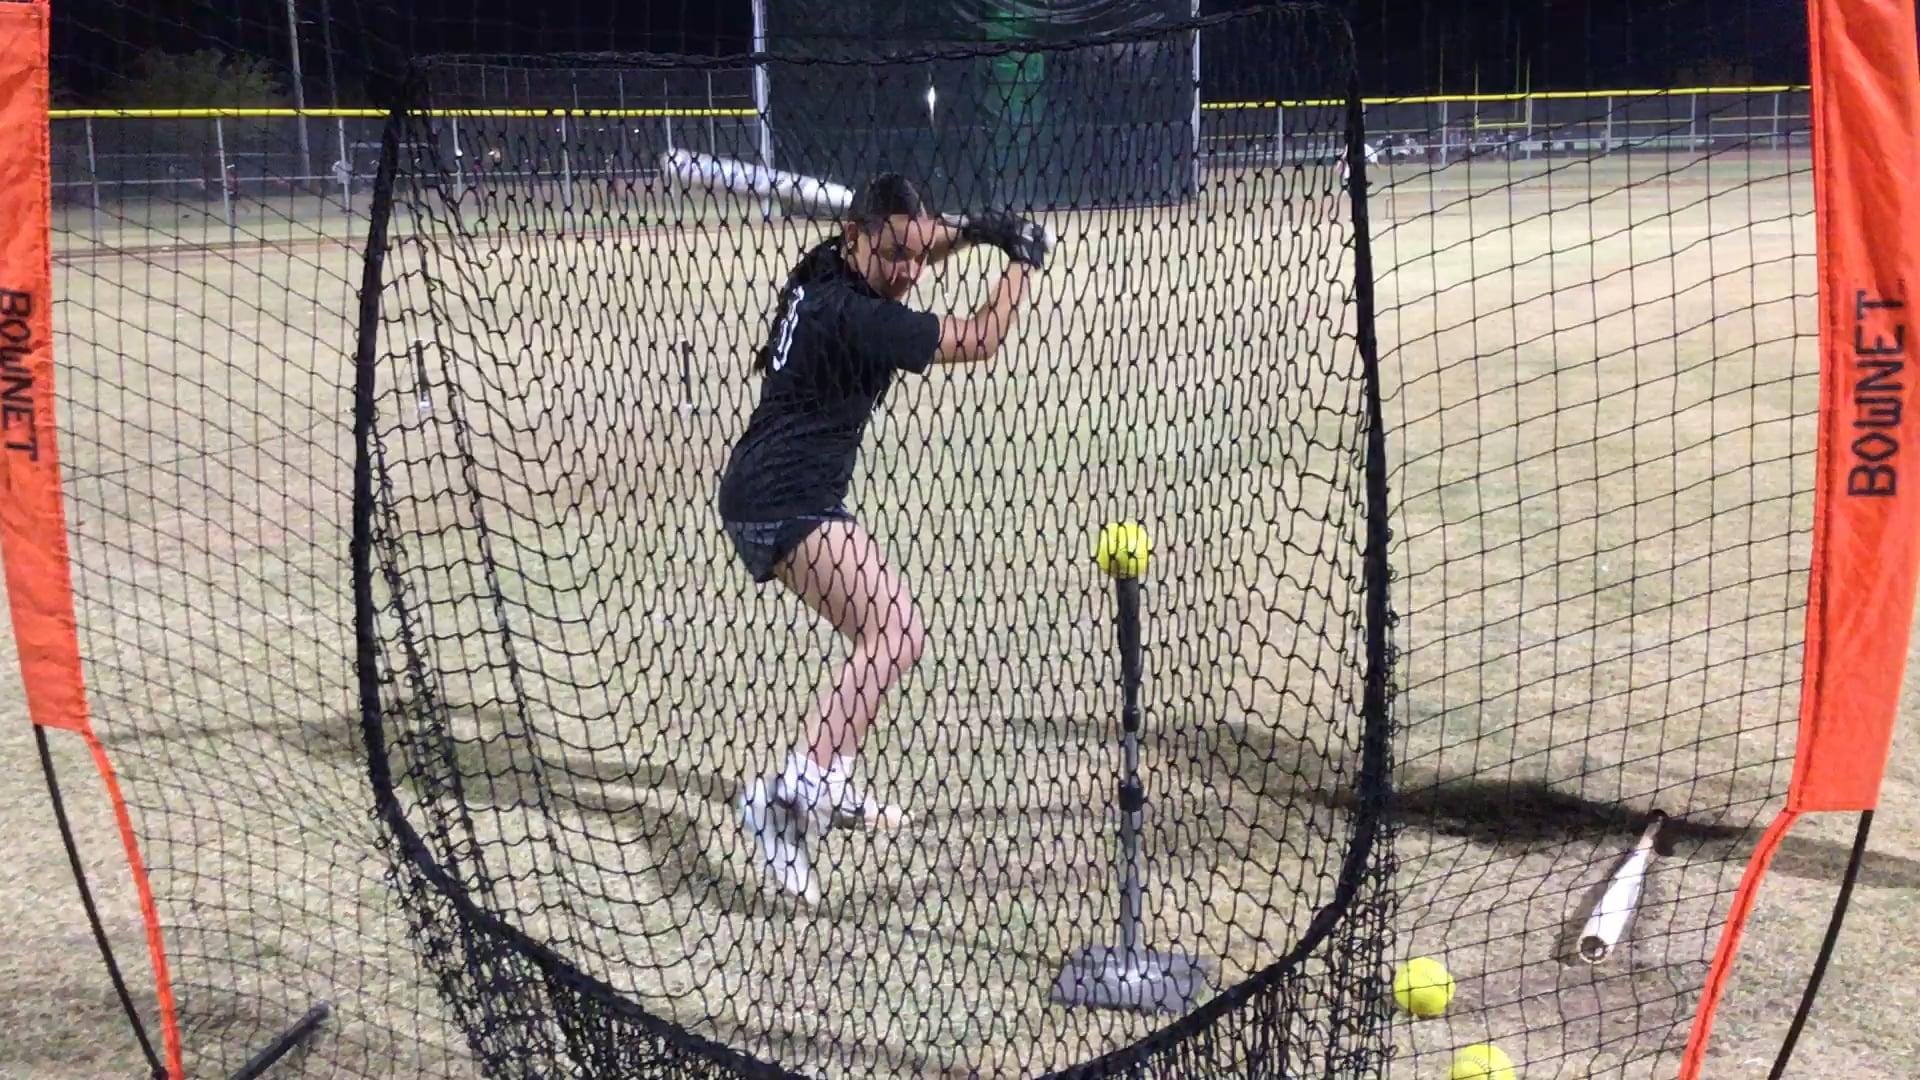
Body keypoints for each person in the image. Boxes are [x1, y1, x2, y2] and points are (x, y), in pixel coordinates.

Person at [718, 174, 1049, 906]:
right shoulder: (862, 318)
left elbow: (915, 238)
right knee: (893, 633)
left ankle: (828, 776)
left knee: (883, 636)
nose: (908, 270)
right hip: (782, 498)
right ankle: (785, 801)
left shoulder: (824, 267)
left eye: (917, 254)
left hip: (780, 488)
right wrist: (1021, 259)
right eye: (894, 254)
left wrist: (973, 231)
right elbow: (981, 340)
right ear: (856, 238)